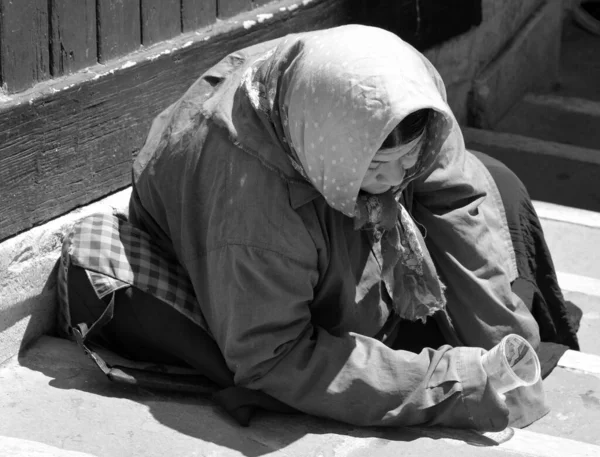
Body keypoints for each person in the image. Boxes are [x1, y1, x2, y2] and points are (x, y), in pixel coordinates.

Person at [59, 25, 579, 431]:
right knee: (313, 344)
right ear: (332, 155)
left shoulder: (401, 91)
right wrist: (458, 384)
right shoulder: (256, 215)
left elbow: (455, 195)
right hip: (249, 262)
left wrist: (506, 352)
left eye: (407, 160)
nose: (398, 179)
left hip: (321, 189)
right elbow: (275, 355)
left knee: (499, 184)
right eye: (377, 168)